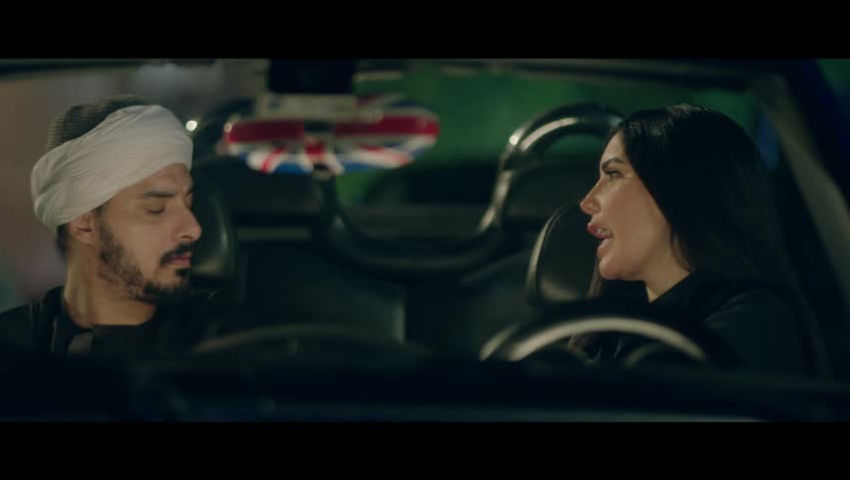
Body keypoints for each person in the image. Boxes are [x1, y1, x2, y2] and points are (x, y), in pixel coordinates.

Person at [573, 104, 830, 377]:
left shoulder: (751, 324)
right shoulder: (611, 330)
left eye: (613, 174)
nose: (587, 202)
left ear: (680, 188)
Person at [0, 95, 214, 357]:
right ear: (84, 224)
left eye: (189, 203)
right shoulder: (12, 345)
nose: (193, 229)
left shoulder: (224, 339)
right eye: (156, 208)